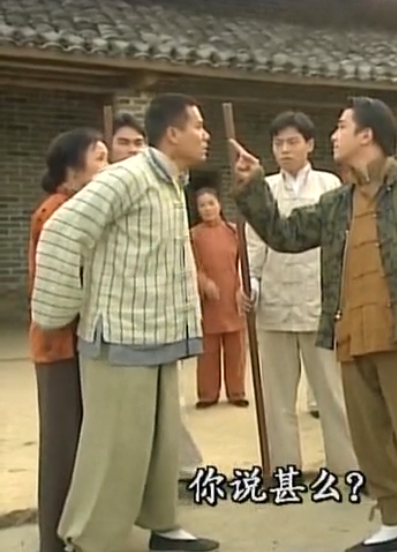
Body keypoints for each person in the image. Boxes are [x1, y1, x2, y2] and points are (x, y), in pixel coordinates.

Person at [230, 96, 397, 552]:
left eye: (342, 126)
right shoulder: (337, 203)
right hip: (352, 337)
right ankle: (391, 525)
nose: (333, 135)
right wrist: (252, 188)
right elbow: (285, 235)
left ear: (367, 135)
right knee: (370, 441)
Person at [31, 93, 218, 552]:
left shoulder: (172, 181)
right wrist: (59, 310)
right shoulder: (127, 176)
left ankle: (163, 526)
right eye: (197, 126)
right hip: (120, 337)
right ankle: (89, 540)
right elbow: (61, 231)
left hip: (160, 334)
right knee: (115, 449)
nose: (205, 135)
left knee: (159, 445)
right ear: (172, 134)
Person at [244, 111, 357, 478]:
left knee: (332, 394)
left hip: (319, 305)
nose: (285, 149)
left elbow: (341, 244)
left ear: (310, 144)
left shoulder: (329, 186)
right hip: (274, 304)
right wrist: (252, 284)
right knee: (276, 398)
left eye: (293, 142)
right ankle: (284, 468)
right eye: (278, 143)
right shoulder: (265, 188)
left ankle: (346, 466)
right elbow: (254, 244)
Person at [108, 112, 205, 485]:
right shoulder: (109, 189)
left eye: (138, 143)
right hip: (123, 321)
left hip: (164, 314)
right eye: (123, 143)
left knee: (170, 402)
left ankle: (184, 469)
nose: (132, 150)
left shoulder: (168, 184)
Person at [30, 128, 108, 552]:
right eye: (99, 158)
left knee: (84, 445)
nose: (108, 167)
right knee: (62, 448)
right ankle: (54, 541)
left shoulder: (78, 208)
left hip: (83, 342)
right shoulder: (56, 213)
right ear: (72, 169)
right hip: (59, 346)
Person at [190, 188, 249, 408]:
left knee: (236, 348)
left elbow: (244, 263)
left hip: (232, 296)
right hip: (207, 300)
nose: (207, 209)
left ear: (220, 205)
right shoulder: (193, 235)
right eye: (202, 205)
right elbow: (190, 264)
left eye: (211, 203)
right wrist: (203, 282)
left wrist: (242, 288)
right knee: (208, 349)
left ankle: (236, 392)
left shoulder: (234, 232)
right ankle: (207, 394)